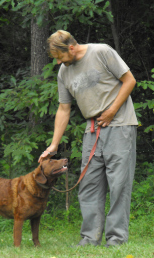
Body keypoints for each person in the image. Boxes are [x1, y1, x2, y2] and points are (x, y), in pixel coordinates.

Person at [38, 30, 137, 247]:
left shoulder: (101, 51)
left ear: (71, 48)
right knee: (89, 185)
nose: (57, 61)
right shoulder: (64, 72)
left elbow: (129, 81)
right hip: (92, 130)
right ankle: (90, 238)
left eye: (59, 56)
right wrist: (53, 144)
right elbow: (64, 109)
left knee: (119, 184)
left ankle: (116, 240)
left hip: (120, 125)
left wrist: (111, 111)